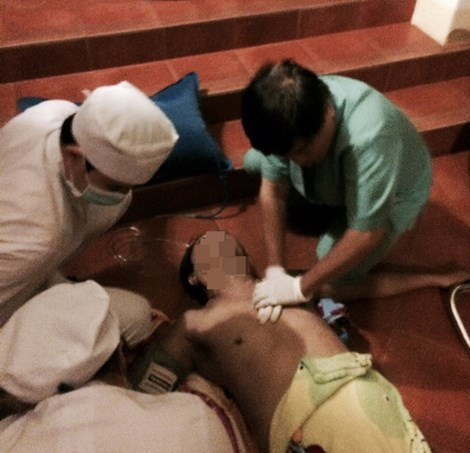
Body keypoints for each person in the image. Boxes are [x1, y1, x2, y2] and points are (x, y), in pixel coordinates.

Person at [129, 230, 431, 453]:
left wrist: (435, 277)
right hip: (306, 421)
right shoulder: (196, 323)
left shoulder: (289, 284)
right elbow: (142, 390)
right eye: (204, 244)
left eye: (227, 240)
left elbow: (363, 285)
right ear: (194, 276)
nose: (220, 241)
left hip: (368, 394)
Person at [240, 59, 467, 319]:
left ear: (328, 110)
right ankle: (338, 205)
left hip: (398, 191)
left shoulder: (370, 134)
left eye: (303, 150)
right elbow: (273, 191)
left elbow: (368, 233)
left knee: (331, 282)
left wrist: (300, 288)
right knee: (254, 162)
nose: (298, 160)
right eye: (289, 154)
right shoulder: (290, 109)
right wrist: (275, 269)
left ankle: (435, 277)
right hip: (345, 177)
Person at [0, 81, 179, 326]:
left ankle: (43, 278)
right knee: (136, 316)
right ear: (75, 155)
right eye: (114, 187)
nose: (122, 195)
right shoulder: (41, 236)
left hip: (26, 263)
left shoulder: (56, 113)